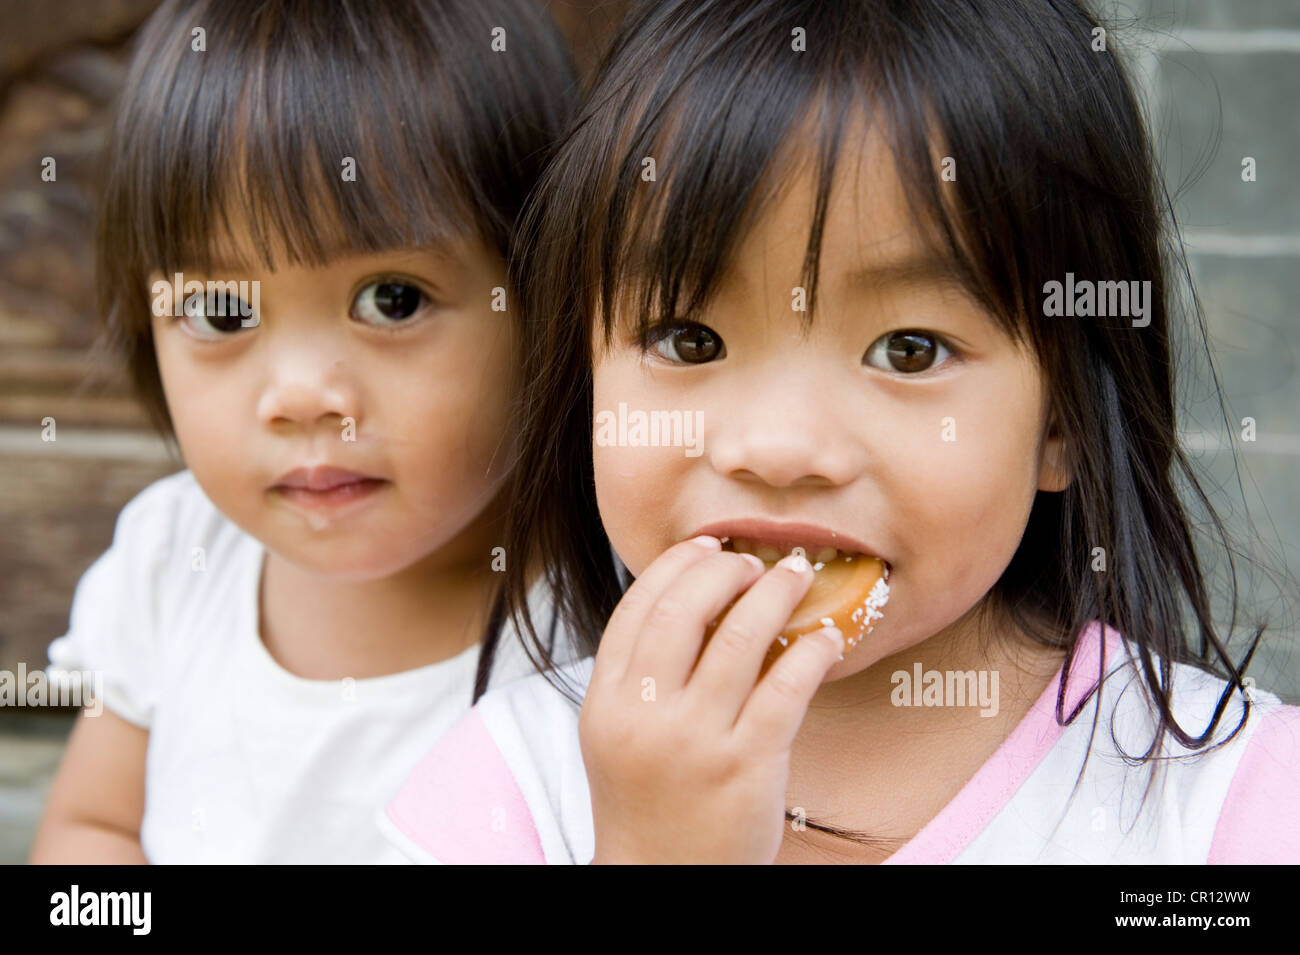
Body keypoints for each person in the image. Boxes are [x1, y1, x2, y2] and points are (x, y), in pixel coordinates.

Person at [381, 0, 1299, 864]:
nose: (780, 448)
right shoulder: (509, 794)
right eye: (688, 339)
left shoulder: (1227, 809)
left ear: (1061, 422)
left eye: (908, 350)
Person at [32, 0, 578, 863]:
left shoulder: (601, 627)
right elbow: (93, 831)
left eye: (391, 299)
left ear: (546, 295)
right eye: (221, 310)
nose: (300, 398)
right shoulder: (173, 562)